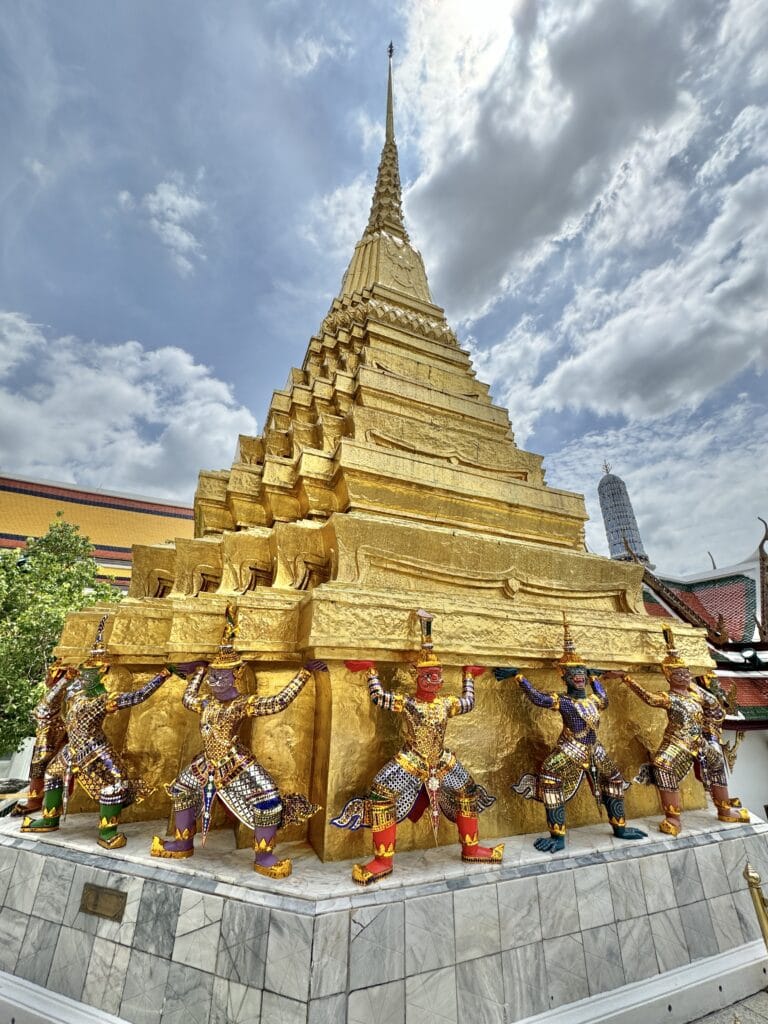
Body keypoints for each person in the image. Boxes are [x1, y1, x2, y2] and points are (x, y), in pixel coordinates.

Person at [150, 605, 323, 879]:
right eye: (213, 676)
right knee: (182, 790)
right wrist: (197, 673)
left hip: (235, 762)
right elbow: (187, 698)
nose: (216, 681)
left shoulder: (241, 704)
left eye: (222, 676)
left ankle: (264, 855)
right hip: (206, 762)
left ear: (237, 676)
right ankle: (183, 842)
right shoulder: (205, 701)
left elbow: (278, 702)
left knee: (268, 799)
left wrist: (303, 674)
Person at [332, 609, 503, 885]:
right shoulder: (409, 703)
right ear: (416, 677)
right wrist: (371, 670)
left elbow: (468, 703)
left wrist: (469, 676)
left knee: (468, 791)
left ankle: (471, 848)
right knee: (379, 794)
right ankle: (382, 860)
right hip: (411, 761)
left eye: (438, 676)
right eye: (428, 676)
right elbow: (379, 697)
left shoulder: (445, 703)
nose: (434, 681)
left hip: (442, 761)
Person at [21, 615, 169, 849]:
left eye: (89, 672)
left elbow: (138, 696)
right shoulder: (73, 694)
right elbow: (45, 706)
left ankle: (108, 830)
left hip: (95, 748)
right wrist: (64, 680)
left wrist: (162, 676)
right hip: (73, 749)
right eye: (83, 671)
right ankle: (50, 817)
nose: (83, 675)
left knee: (117, 782)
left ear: (102, 673)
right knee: (52, 774)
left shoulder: (102, 700)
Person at [503, 616, 646, 853]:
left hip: (594, 748)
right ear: (564, 677)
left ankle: (619, 826)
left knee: (615, 778)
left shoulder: (593, 699)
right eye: (574, 673)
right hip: (571, 748)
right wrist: (519, 677)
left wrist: (594, 677)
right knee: (549, 775)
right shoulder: (564, 700)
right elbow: (538, 698)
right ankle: (557, 835)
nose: (578, 676)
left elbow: (605, 699)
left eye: (581, 671)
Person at [620, 625, 749, 836]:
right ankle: (673, 816)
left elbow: (715, 705)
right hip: (676, 742)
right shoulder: (669, 697)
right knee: (662, 764)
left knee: (716, 760)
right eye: (678, 673)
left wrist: (695, 688)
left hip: (697, 741)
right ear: (669, 677)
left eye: (686, 672)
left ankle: (725, 808)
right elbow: (649, 699)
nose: (684, 676)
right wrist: (627, 679)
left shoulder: (696, 695)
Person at [11, 660, 74, 817]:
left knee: (45, 768)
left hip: (52, 736)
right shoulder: (55, 693)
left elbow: (49, 701)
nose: (47, 678)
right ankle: (35, 800)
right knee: (38, 769)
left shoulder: (59, 693)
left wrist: (66, 678)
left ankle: (42, 803)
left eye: (50, 674)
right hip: (44, 735)